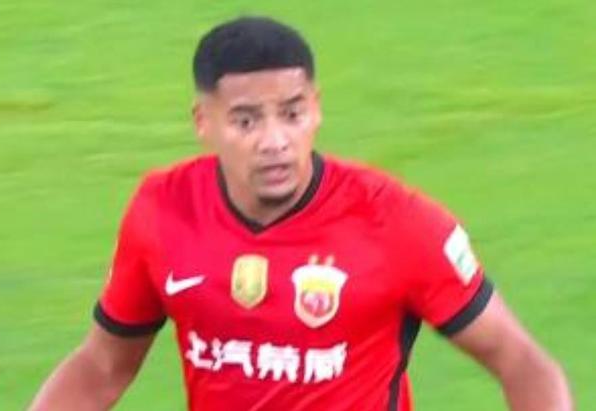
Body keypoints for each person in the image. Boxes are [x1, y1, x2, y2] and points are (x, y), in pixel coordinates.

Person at [30, 16, 573, 411]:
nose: (275, 141)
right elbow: (101, 368)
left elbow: (521, 362)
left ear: (316, 109)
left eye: (291, 114)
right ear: (203, 122)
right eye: (246, 121)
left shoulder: (396, 222)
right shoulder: (162, 210)